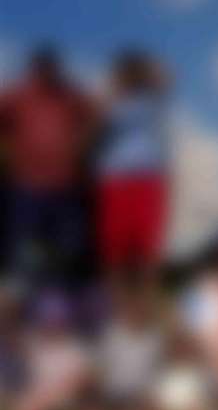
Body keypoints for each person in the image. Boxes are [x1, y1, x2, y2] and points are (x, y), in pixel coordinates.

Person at [0, 46, 99, 290]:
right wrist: (8, 152)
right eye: (41, 69)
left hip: (65, 184)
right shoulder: (18, 95)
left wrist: (82, 147)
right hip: (27, 183)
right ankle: (21, 303)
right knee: (25, 246)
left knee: (67, 246)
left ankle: (57, 301)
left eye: (50, 68)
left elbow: (96, 117)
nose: (46, 74)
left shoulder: (70, 96)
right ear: (34, 70)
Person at [95, 49, 171, 279]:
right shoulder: (110, 103)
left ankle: (144, 306)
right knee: (114, 246)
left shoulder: (152, 100)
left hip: (148, 176)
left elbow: (165, 79)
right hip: (116, 177)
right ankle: (120, 306)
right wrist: (116, 85)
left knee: (146, 246)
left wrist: (144, 69)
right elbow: (97, 128)